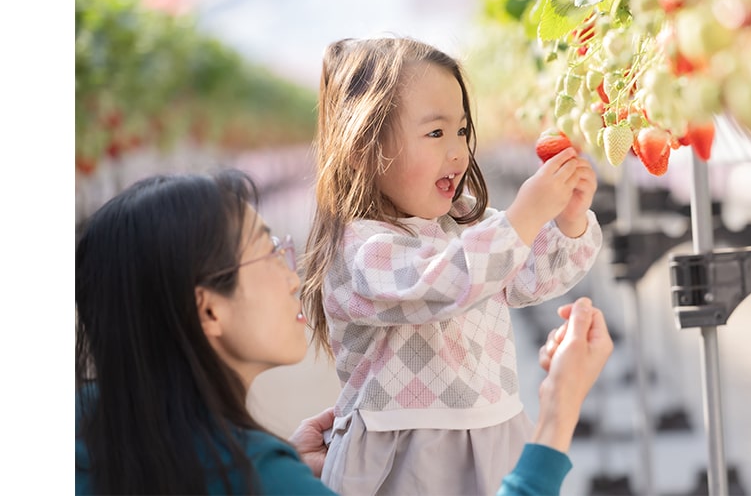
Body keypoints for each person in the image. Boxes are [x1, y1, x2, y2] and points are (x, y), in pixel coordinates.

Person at [74, 169, 614, 496]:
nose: (295, 275)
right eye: (270, 251)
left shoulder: (80, 432)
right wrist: (559, 413)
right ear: (209, 311)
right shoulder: (261, 478)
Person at [300, 36, 603, 495]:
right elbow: (444, 280)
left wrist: (568, 219)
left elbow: (528, 276)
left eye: (462, 130)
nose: (459, 150)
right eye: (436, 132)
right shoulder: (362, 250)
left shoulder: (464, 225)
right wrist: (524, 215)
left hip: (496, 433)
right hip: (409, 462)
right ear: (363, 147)